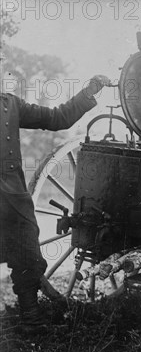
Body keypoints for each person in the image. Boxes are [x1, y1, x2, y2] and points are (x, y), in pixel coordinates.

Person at [0, 62, 110, 333]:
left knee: (27, 253)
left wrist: (89, 92)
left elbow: (57, 118)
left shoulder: (10, 105)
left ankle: (31, 318)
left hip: (12, 197)